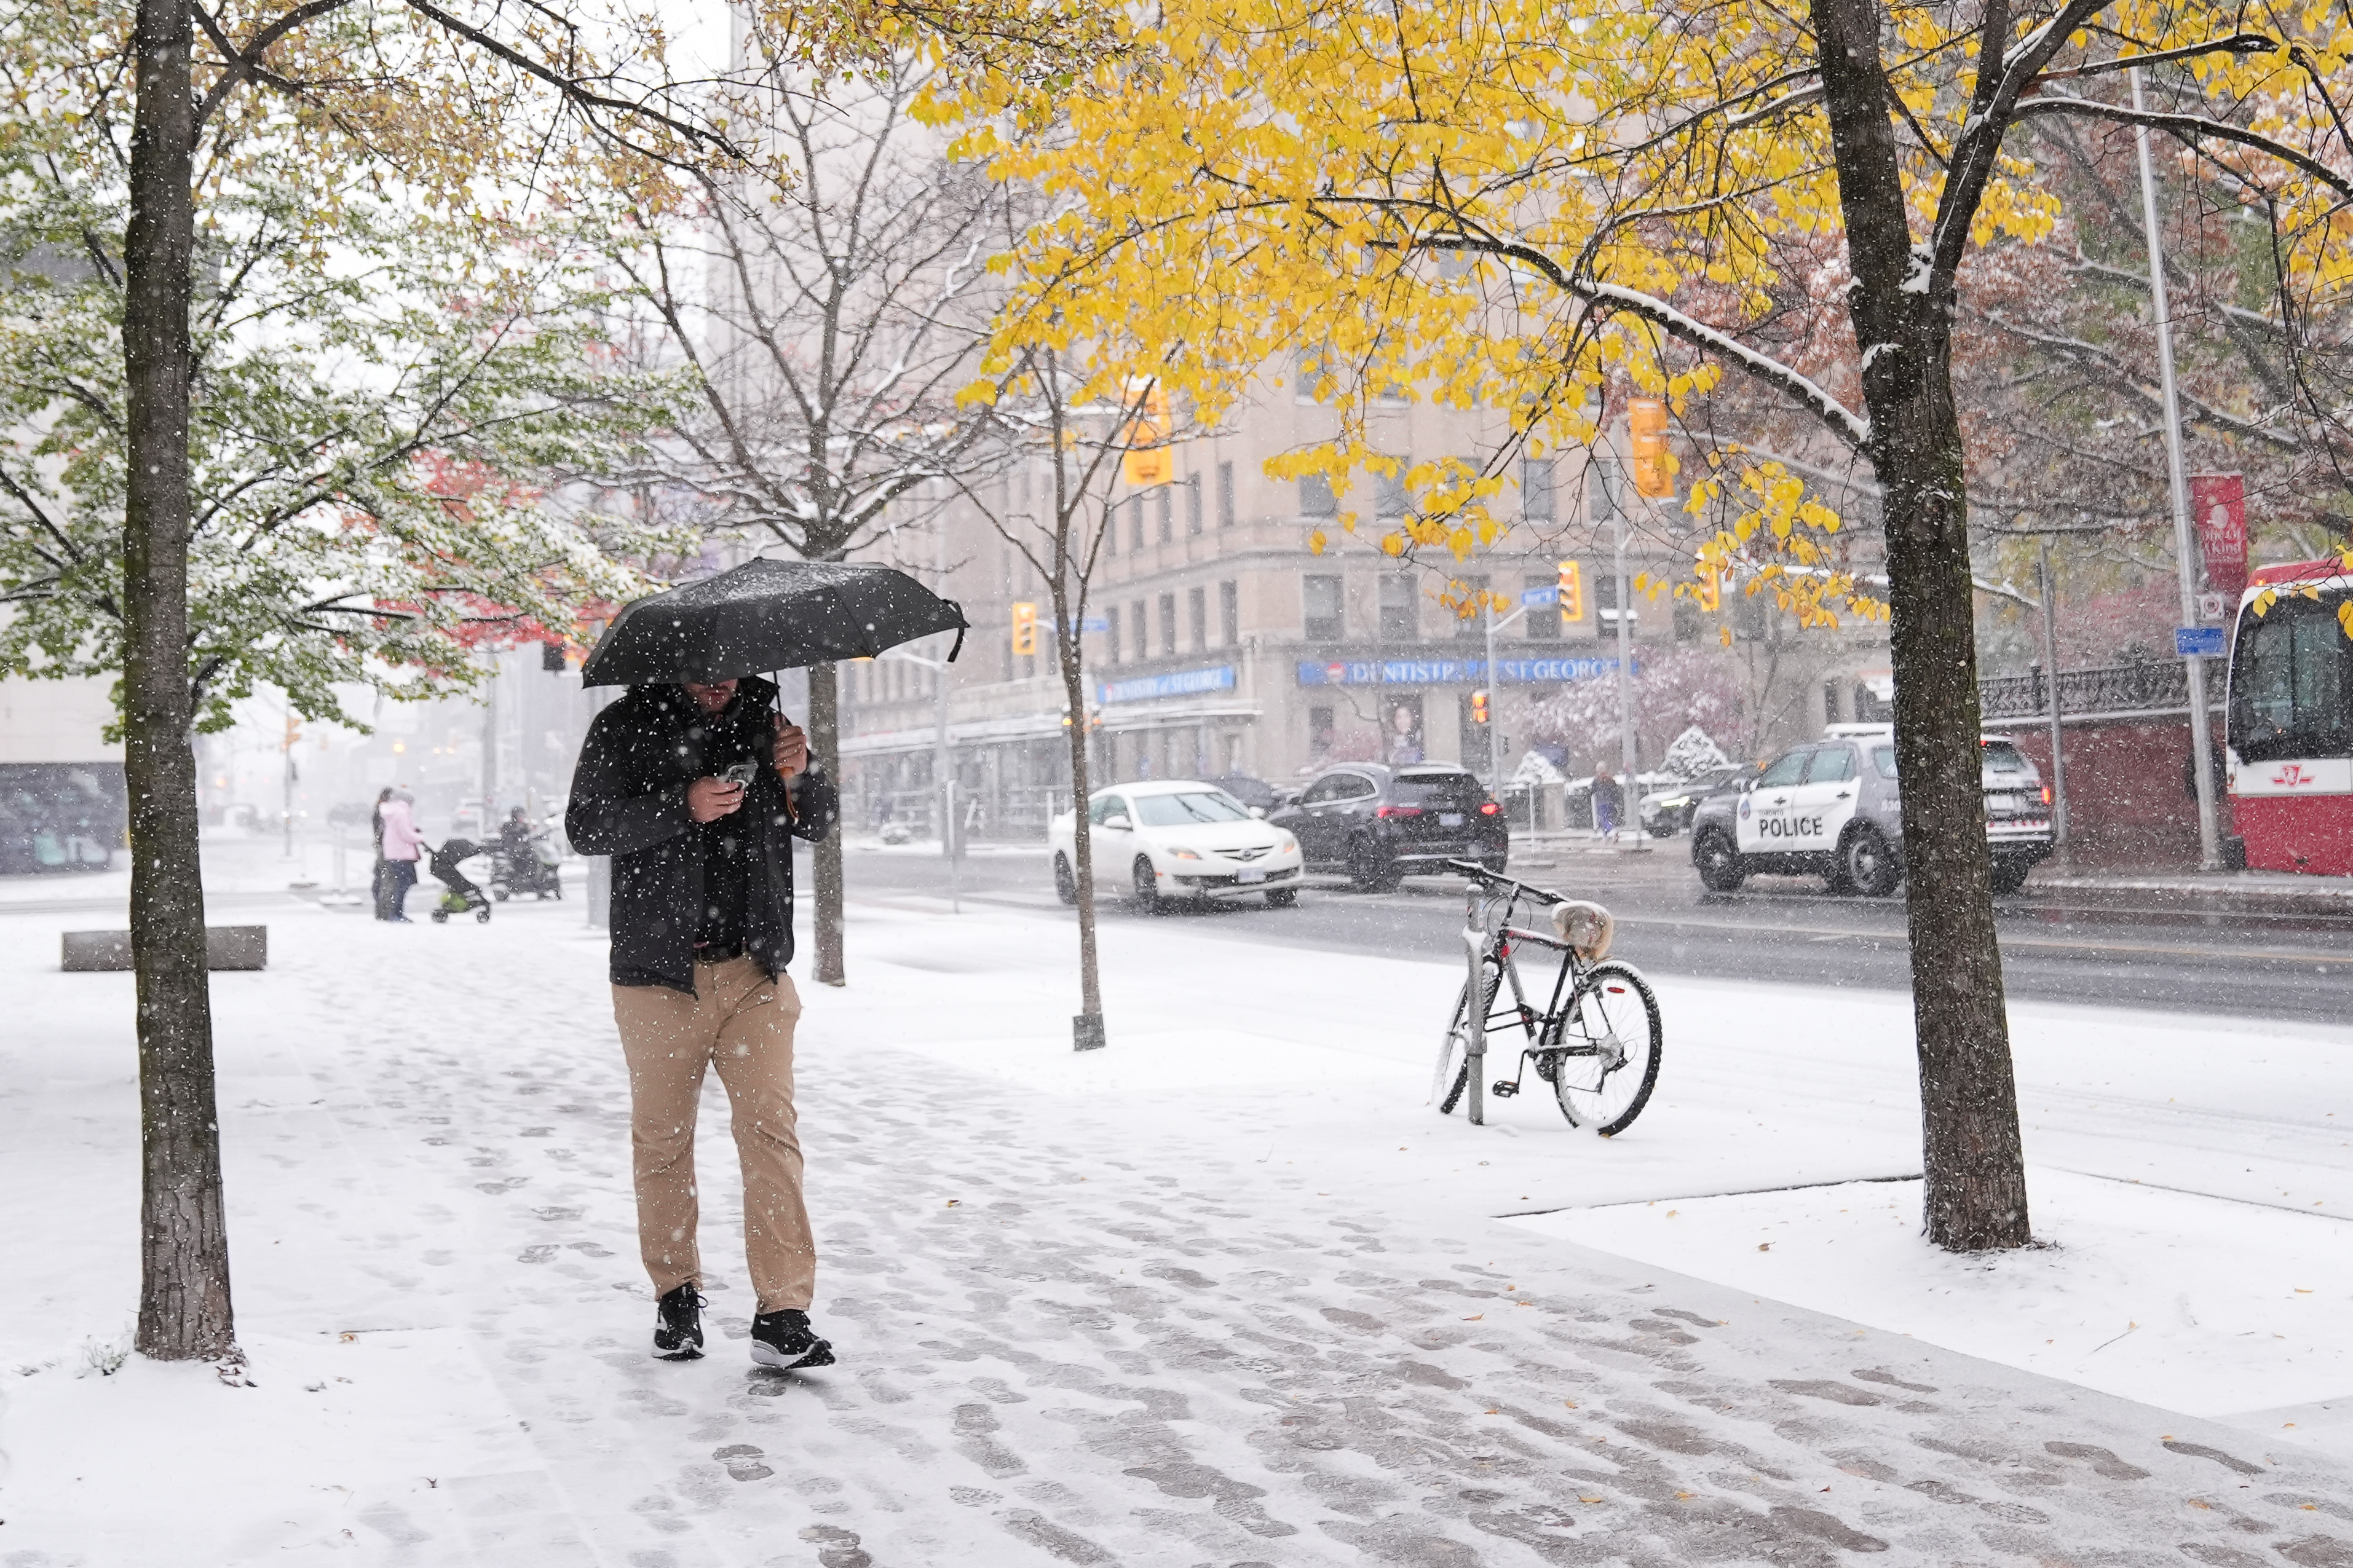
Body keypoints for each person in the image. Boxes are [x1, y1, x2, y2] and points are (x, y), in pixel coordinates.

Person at [566, 674, 840, 1370]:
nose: (718, 684)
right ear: (670, 667)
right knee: (663, 1141)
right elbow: (585, 826)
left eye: (727, 671)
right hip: (658, 976)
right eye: (701, 674)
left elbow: (820, 822)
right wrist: (679, 805)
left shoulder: (768, 724)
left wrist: (800, 774)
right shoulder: (624, 726)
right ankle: (676, 1297)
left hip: (753, 969)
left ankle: (783, 1311)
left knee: (771, 1136)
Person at [377, 790, 423, 921]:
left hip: (393, 853)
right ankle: (396, 913)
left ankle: (394, 912)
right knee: (403, 884)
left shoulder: (391, 811)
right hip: (402, 854)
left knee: (399, 884)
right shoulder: (402, 812)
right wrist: (419, 837)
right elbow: (406, 833)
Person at [369, 787, 393, 919]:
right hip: (386, 849)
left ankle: (382, 909)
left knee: (382, 876)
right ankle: (384, 910)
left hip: (382, 847)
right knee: (387, 879)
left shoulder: (379, 809)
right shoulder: (385, 811)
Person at [1591, 765, 1623, 841]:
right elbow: (1616, 791)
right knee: (1609, 819)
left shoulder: (1597, 780)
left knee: (1603, 820)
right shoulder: (1610, 779)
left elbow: (1592, 790)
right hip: (1611, 803)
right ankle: (1606, 836)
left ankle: (1612, 831)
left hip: (1602, 803)